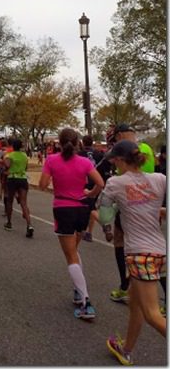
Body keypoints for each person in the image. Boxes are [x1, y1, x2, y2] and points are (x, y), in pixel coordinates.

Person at [98, 139, 166, 366]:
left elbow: (106, 218)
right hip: (160, 252)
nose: (114, 164)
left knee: (152, 314)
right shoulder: (160, 179)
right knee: (136, 305)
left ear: (119, 160)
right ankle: (126, 349)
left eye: (114, 160)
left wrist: (115, 205)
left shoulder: (115, 183)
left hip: (138, 253)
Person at [39, 128, 104, 320]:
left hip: (63, 208)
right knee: (74, 252)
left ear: (59, 142)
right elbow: (100, 183)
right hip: (81, 209)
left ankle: (86, 302)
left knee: (70, 256)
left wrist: (58, 186)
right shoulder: (84, 162)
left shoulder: (51, 160)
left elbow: (42, 185)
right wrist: (88, 193)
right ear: (78, 143)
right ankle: (78, 291)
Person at [105, 124, 157, 304]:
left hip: (129, 204)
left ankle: (124, 286)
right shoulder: (146, 148)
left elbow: (128, 177)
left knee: (121, 245)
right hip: (150, 205)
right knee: (154, 249)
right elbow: (152, 172)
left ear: (119, 136)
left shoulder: (123, 155)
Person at [3, 139, 34, 237]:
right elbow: (25, 168)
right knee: (23, 202)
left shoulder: (10, 155)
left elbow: (7, 165)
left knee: (9, 200)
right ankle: (29, 224)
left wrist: (4, 165)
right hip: (23, 179)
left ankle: (9, 223)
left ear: (12, 146)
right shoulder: (24, 156)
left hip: (12, 179)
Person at [78, 135, 105, 242]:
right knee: (92, 205)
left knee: (89, 207)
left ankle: (103, 223)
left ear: (83, 143)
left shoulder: (79, 155)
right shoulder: (99, 154)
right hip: (97, 181)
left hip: (85, 182)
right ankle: (89, 232)